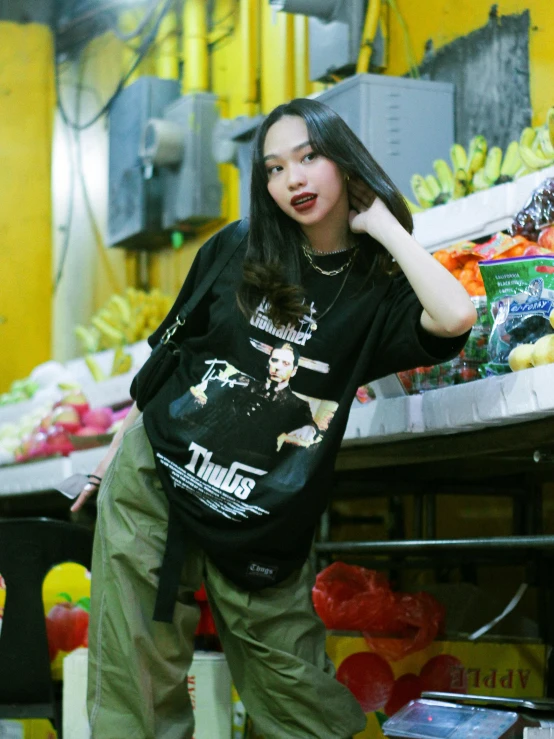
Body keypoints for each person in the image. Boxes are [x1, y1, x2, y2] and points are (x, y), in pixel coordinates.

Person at [72, 98, 476, 739]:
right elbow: (169, 366)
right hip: (157, 486)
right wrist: (113, 458)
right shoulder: (236, 248)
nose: (293, 178)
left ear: (345, 163)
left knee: (299, 704)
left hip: (267, 517)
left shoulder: (377, 288)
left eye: (310, 157)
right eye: (274, 167)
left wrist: (384, 226)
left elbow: (455, 317)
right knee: (135, 694)